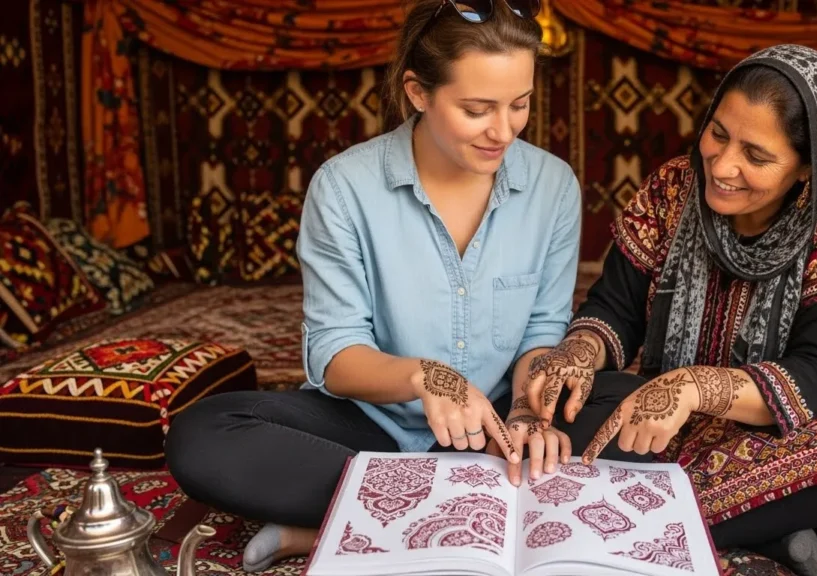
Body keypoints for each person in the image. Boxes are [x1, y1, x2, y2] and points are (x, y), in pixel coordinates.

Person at [165, 0, 645, 572]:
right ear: (418, 92)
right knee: (204, 434)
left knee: (626, 405)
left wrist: (524, 413)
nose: (503, 130)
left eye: (519, 105)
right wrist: (423, 378)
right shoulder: (344, 188)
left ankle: (337, 523)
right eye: (476, 109)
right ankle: (473, 502)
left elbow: (542, 331)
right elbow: (335, 354)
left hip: (496, 422)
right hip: (370, 428)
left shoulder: (552, 185)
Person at [521, 44, 817, 576]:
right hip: (671, 409)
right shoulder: (673, 188)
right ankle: (767, 531)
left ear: (807, 169)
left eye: (756, 156)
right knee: (560, 414)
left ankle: (616, 525)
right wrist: (577, 353)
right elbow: (614, 309)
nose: (724, 165)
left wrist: (694, 387)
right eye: (718, 134)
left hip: (798, 419)